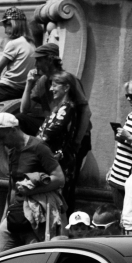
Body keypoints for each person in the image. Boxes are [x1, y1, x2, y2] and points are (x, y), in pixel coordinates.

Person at [0, 111, 65, 249]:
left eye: (2, 138)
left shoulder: (39, 147)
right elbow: (12, 188)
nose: (1, 143)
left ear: (13, 130)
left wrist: (31, 191)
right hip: (15, 212)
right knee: (0, 246)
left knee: (33, 254)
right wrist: (5, 217)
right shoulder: (13, 152)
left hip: (35, 214)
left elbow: (59, 178)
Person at [31, 70, 88, 208]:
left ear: (66, 87)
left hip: (61, 163)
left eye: (55, 85)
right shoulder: (59, 108)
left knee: (57, 204)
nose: (51, 89)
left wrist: (30, 144)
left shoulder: (68, 108)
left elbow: (48, 133)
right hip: (52, 161)